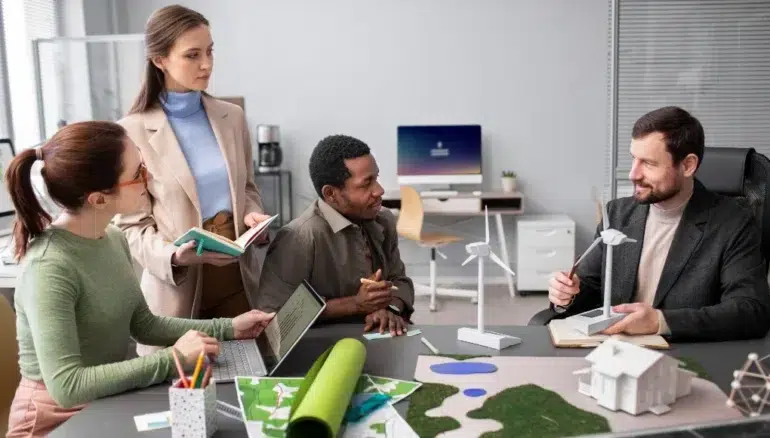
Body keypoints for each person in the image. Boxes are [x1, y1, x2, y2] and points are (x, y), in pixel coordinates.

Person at [5, 121, 274, 437]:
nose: (150, 178)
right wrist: (174, 359)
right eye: (138, 174)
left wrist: (228, 328)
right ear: (99, 199)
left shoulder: (113, 238)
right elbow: (67, 386)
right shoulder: (49, 267)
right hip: (54, 420)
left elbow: (143, 324)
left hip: (102, 403)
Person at [113, 4, 271, 356]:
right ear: (159, 60)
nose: (207, 64)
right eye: (192, 55)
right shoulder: (132, 131)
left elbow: (246, 189)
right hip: (176, 289)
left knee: (248, 382)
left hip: (237, 280)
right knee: (181, 398)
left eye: (210, 51)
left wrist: (251, 215)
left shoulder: (232, 117)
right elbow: (131, 226)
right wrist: (173, 257)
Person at [547, 106, 770, 342]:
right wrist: (568, 293)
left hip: (685, 357)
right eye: (633, 159)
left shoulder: (733, 222)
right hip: (612, 351)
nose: (633, 174)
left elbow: (750, 311)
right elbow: (591, 285)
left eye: (648, 163)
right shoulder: (619, 213)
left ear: (687, 166)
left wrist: (660, 322)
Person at [255, 134, 415, 336]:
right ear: (331, 194)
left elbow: (400, 281)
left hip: (375, 337)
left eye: (376, 178)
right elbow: (272, 316)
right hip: (320, 345)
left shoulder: (382, 219)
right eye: (366, 184)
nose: (379, 190)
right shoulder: (299, 237)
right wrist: (355, 304)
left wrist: (388, 308)